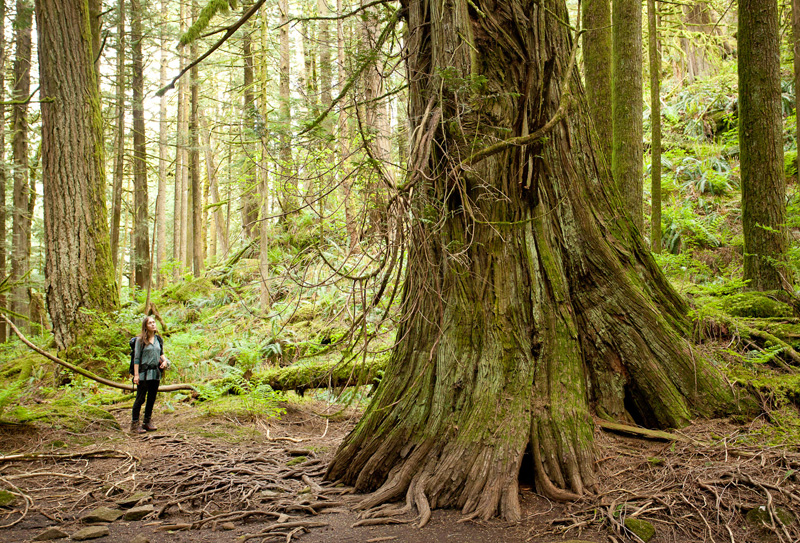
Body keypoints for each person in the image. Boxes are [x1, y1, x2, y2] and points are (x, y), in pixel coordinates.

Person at [130, 316, 167, 434]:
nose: (153, 324)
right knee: (140, 399)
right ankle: (134, 424)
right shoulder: (140, 341)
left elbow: (161, 354)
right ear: (145, 326)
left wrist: (165, 361)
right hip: (143, 374)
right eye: (150, 323)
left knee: (151, 398)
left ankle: (147, 421)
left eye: (154, 322)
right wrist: (136, 375)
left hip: (155, 373)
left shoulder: (159, 340)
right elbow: (136, 359)